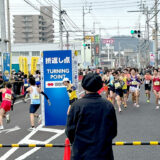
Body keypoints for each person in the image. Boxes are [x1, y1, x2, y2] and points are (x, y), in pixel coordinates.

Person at [66, 73, 117, 160]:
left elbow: (70, 131)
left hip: (81, 153)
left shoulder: (76, 105)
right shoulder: (108, 105)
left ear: (83, 86)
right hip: (103, 153)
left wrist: (76, 142)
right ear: (100, 86)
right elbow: (113, 131)